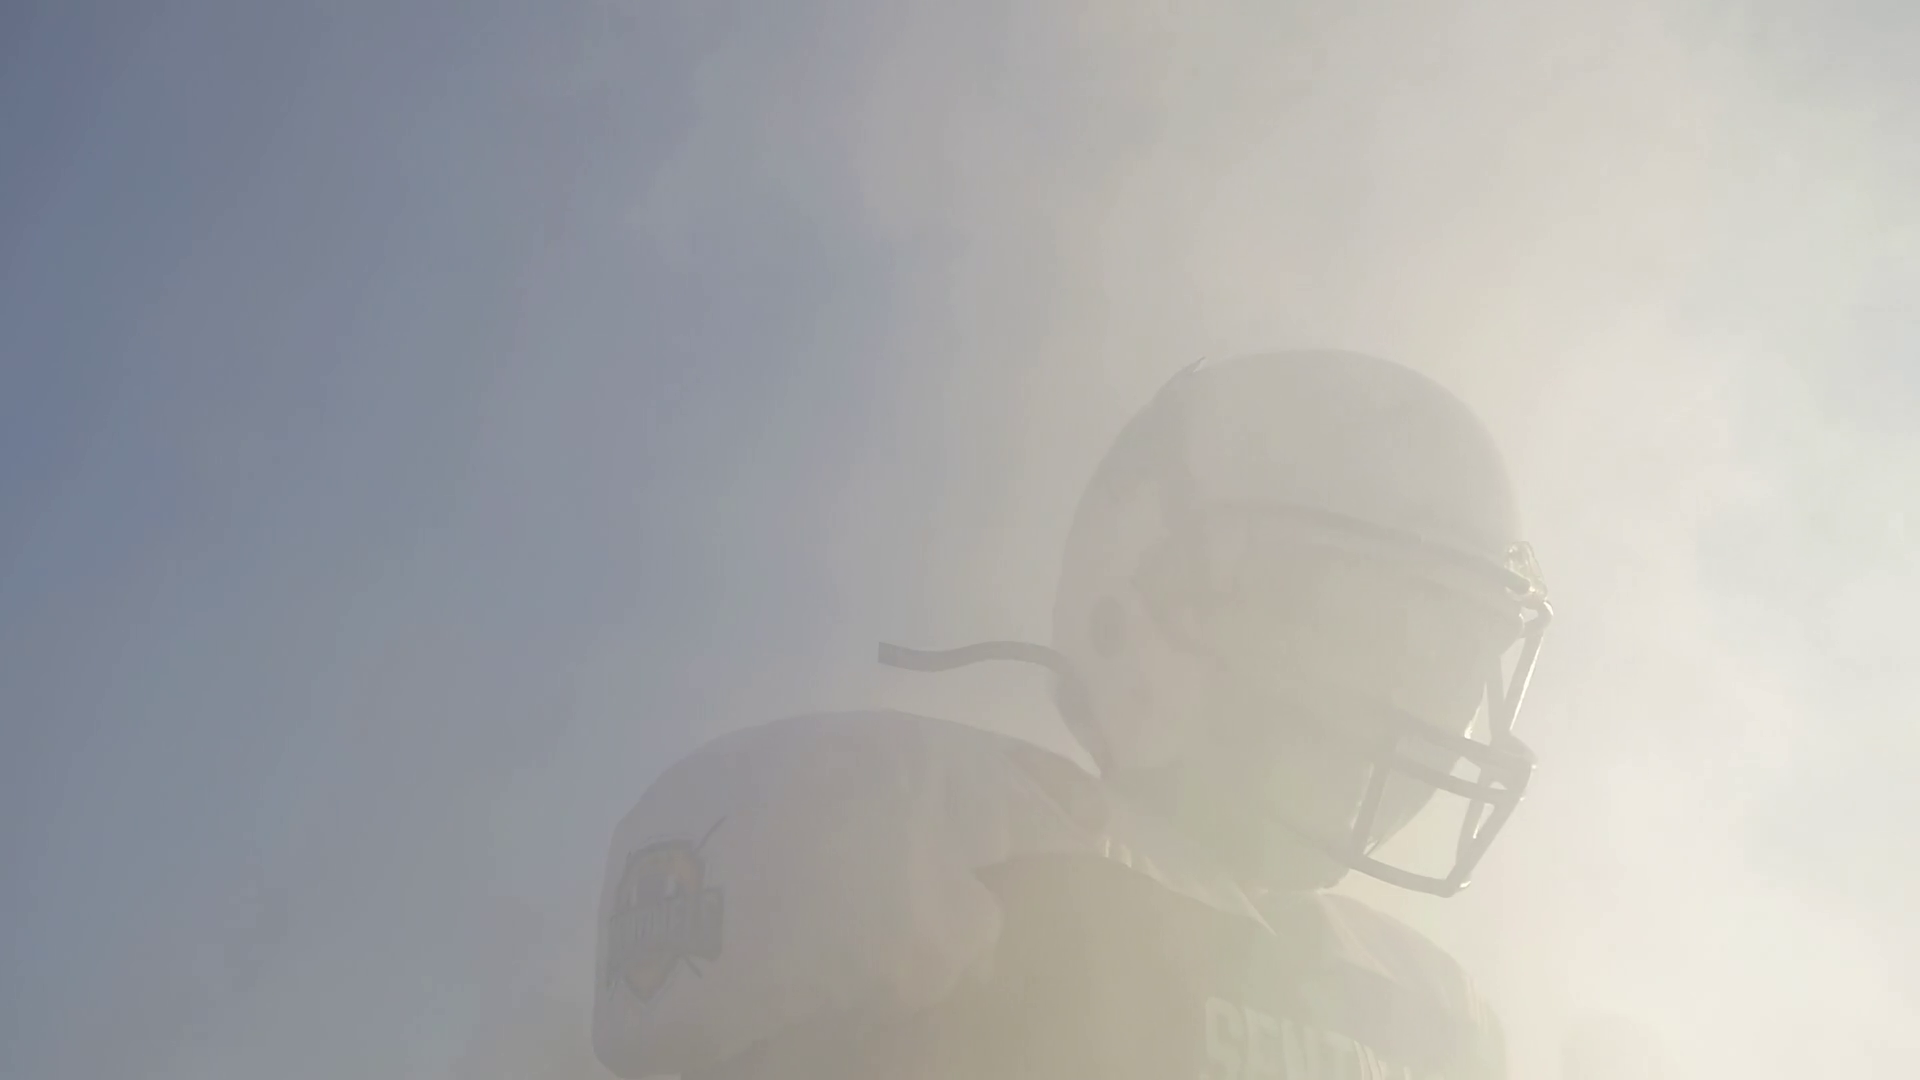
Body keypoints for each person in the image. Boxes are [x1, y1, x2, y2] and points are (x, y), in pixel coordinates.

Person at [593, 350, 1553, 1080]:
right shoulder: (931, 842)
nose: (1416, 692)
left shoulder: (1435, 1011)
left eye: (1452, 649)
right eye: (1364, 624)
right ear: (1133, 615)